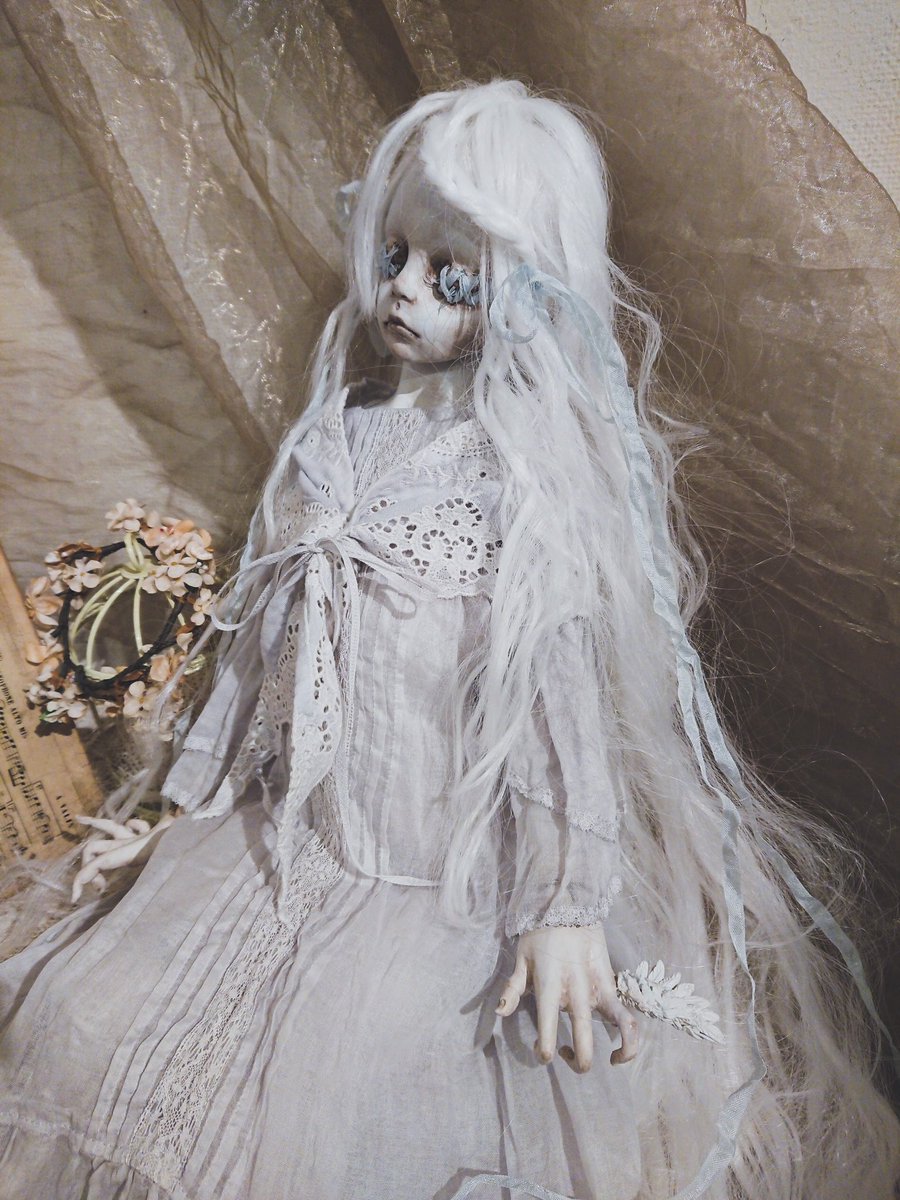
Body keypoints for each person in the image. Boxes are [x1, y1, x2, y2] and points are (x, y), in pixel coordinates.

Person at [0, 78, 898, 1200]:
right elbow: (262, 652)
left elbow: (556, 711)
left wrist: (564, 906)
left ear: (527, 288)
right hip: (288, 839)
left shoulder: (521, 486)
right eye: (394, 258)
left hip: (442, 883)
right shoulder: (337, 435)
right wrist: (188, 798)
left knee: (361, 1124)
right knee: (80, 1025)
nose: (405, 293)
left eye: (452, 275)